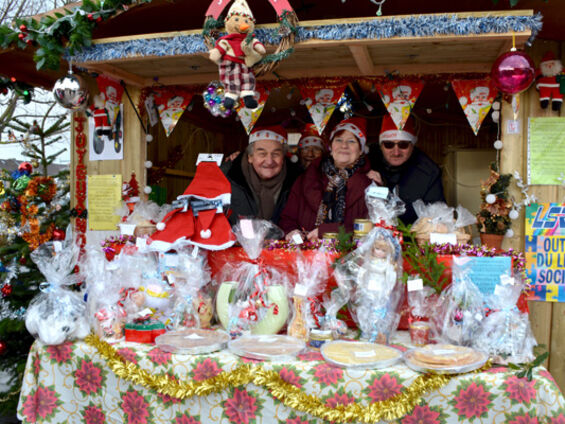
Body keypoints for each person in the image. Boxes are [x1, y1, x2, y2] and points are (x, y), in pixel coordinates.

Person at [279, 117, 372, 241]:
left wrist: (327, 232)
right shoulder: (305, 179)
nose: (344, 145)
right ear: (331, 147)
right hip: (305, 256)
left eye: (351, 141)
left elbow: (372, 228)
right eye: (338, 140)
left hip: (350, 257)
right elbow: (287, 219)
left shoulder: (369, 185)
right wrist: (291, 232)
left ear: (360, 150)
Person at [368, 114, 445, 225]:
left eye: (403, 145)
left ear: (412, 145)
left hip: (413, 236)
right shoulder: (366, 162)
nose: (396, 152)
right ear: (380, 146)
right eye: (389, 144)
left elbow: (439, 214)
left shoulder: (429, 171)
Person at [222, 125, 301, 226]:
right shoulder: (227, 175)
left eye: (275, 154)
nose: (269, 161)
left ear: (283, 157)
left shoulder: (298, 179)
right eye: (262, 154)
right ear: (250, 157)